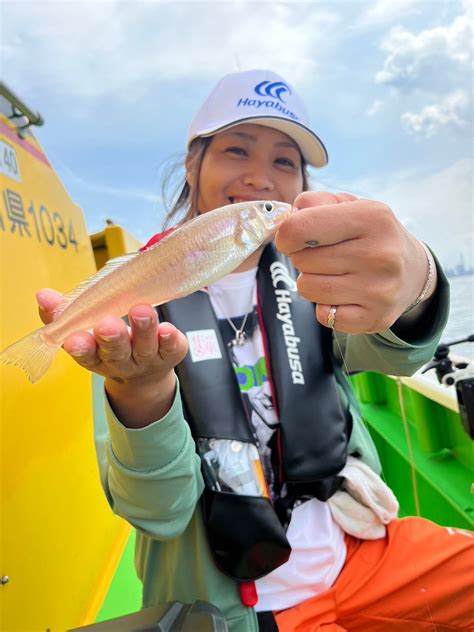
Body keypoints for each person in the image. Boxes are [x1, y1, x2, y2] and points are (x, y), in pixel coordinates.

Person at [37, 70, 473, 632]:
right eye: (236, 149)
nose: (260, 179)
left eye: (284, 162)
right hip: (237, 601)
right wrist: (140, 390)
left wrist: (419, 284)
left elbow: (399, 355)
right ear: (193, 164)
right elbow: (158, 512)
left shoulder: (319, 281)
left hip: (361, 550)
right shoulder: (132, 307)